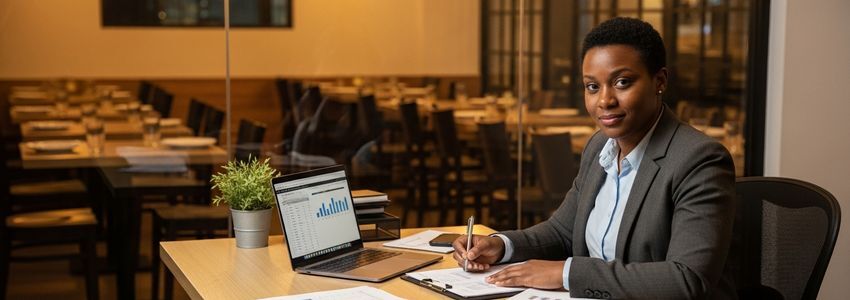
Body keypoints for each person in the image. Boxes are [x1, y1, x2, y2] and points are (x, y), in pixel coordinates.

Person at [452, 17, 736, 299]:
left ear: (659, 81)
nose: (604, 100)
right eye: (592, 86)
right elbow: (562, 231)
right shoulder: (600, 146)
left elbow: (686, 278)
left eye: (622, 82)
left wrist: (565, 274)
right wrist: (500, 245)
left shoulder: (699, 160)